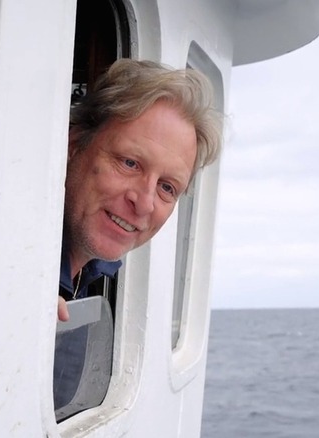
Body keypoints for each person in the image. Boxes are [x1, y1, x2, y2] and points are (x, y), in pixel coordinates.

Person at [53, 58, 222, 414]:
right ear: (73, 146)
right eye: (129, 163)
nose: (144, 203)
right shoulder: (11, 265)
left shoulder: (99, 275)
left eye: (166, 187)